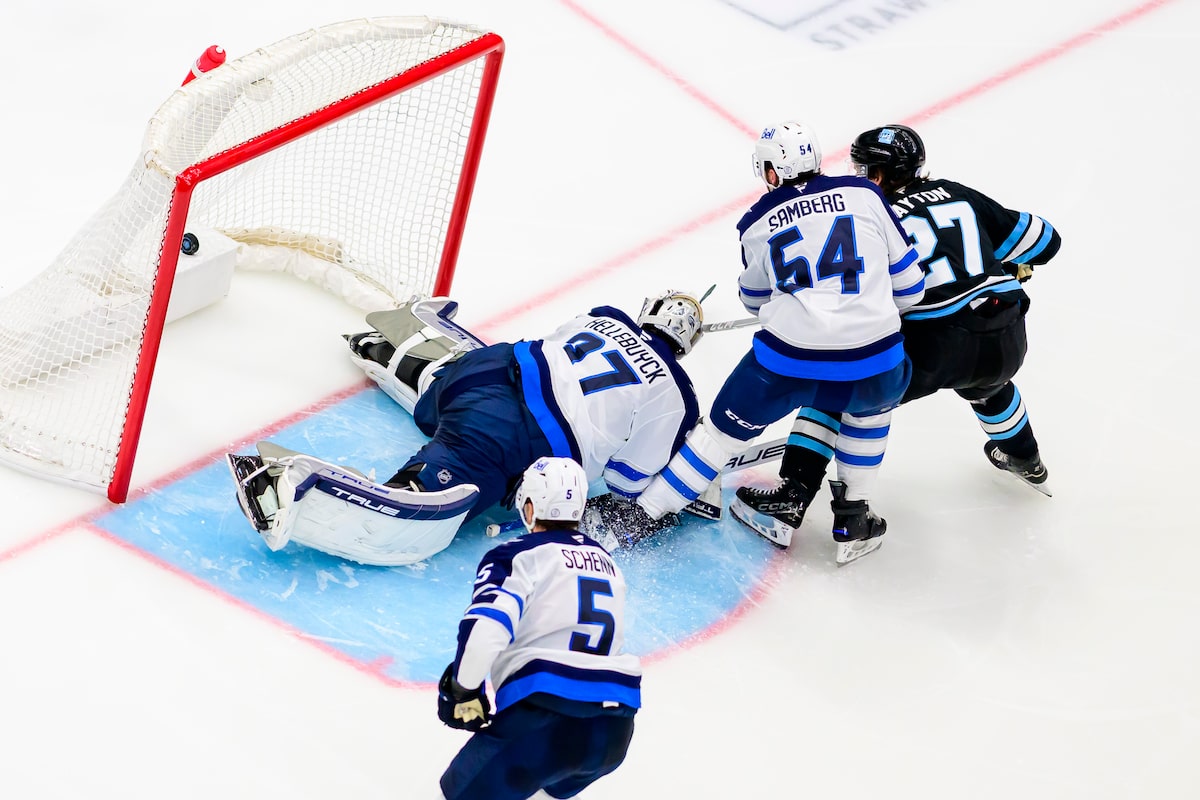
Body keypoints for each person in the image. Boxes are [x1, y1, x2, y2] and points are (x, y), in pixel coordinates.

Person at [731, 124, 1061, 548]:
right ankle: (1025, 457)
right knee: (989, 381)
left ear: (879, 175)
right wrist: (1001, 260)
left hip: (934, 346)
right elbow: (1046, 242)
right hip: (1007, 335)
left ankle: (796, 494)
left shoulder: (874, 214)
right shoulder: (957, 192)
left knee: (836, 391)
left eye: (862, 168)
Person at [619, 121, 925, 565]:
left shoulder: (756, 224)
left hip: (788, 362)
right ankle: (854, 516)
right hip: (876, 359)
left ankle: (644, 514)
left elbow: (754, 301)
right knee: (869, 406)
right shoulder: (866, 197)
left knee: (719, 436)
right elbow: (911, 289)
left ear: (772, 172)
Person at [226, 291, 704, 566]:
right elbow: (627, 480)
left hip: (486, 366)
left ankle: (397, 354)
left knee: (445, 401)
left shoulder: (604, 317)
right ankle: (296, 484)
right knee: (431, 493)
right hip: (515, 432)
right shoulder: (677, 394)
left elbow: (559, 351)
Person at [435, 455, 641, 800]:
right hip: (615, 729)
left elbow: (486, 627)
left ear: (529, 508)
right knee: (550, 788)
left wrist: (462, 690)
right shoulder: (608, 563)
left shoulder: (517, 554)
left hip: (545, 719)